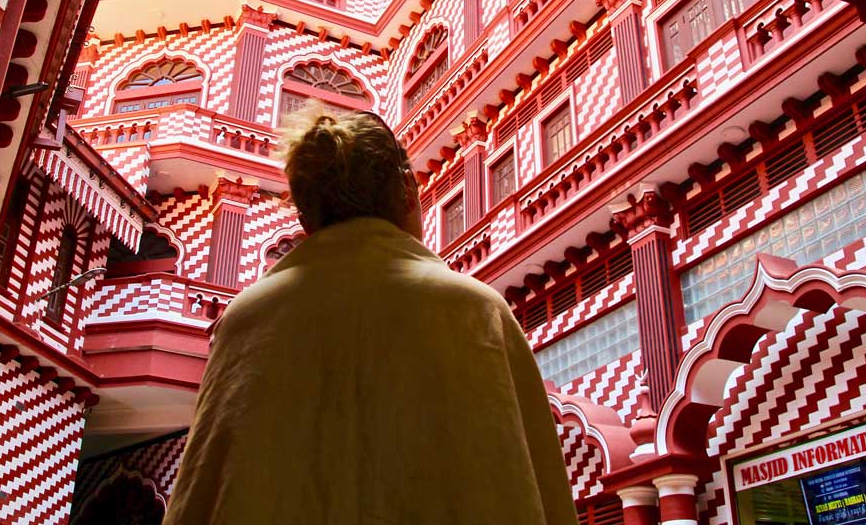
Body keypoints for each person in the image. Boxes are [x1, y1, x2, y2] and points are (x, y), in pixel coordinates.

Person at [163, 104, 578, 524]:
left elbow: (200, 495)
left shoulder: (245, 321)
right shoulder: (475, 311)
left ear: (307, 219)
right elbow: (532, 492)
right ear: (407, 190)